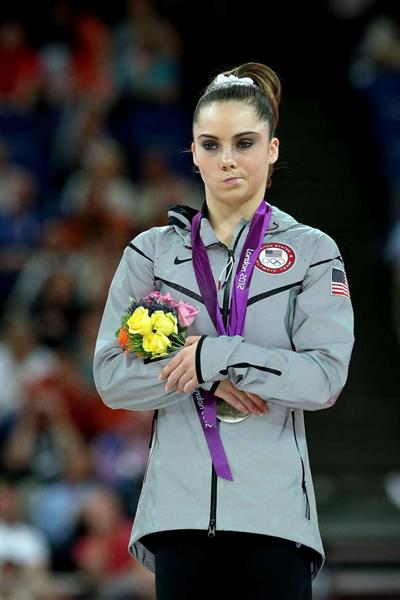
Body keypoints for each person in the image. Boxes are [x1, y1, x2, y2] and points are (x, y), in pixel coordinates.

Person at [93, 62, 355, 599]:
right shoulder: (152, 253)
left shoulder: (312, 252)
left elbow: (324, 378)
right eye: (210, 145)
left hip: (275, 520)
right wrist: (205, 376)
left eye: (245, 142)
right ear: (191, 151)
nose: (227, 159)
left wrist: (215, 354)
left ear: (273, 149)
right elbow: (113, 379)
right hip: (179, 520)